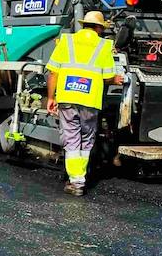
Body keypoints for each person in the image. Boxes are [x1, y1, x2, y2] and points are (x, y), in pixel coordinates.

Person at [45, 10, 122, 196]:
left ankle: (76, 181)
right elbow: (107, 77)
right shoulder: (104, 46)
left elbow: (53, 73)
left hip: (68, 98)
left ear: (83, 25)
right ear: (99, 28)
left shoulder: (66, 41)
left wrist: (50, 97)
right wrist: (116, 80)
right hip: (90, 100)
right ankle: (80, 177)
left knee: (71, 138)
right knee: (86, 139)